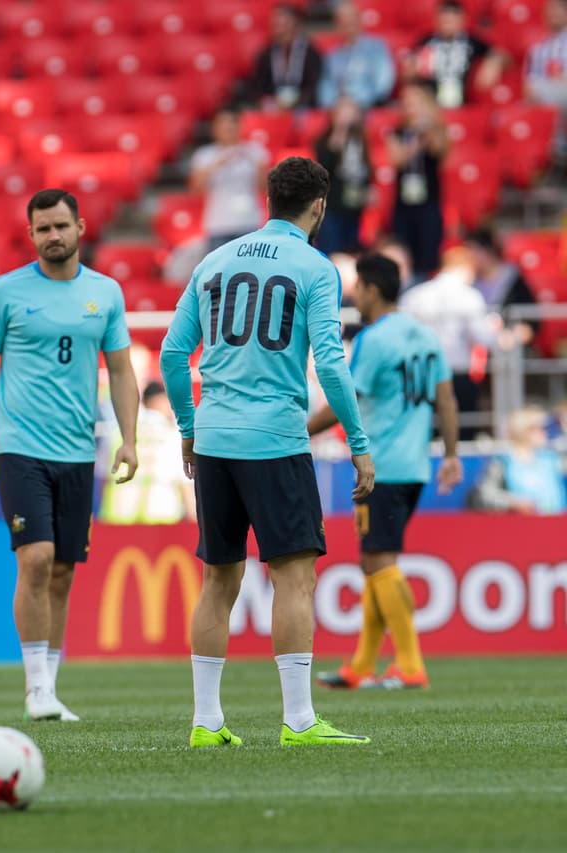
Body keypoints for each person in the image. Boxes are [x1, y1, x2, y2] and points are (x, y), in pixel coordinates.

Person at [159, 156, 376, 748]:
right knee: (294, 579)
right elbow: (330, 362)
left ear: (267, 200)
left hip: (216, 438)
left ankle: (207, 723)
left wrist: (187, 425)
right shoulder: (316, 267)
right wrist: (357, 443)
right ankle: (300, 721)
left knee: (217, 581)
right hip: (276, 438)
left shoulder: (214, 260)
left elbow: (173, 356)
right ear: (319, 207)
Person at [0, 188, 140, 723]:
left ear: (81, 227)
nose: (53, 236)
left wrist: (129, 439)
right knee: (36, 558)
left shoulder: (106, 294)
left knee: (63, 571)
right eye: (43, 229)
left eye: (60, 226)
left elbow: (122, 371)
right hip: (19, 446)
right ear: (31, 234)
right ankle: (35, 688)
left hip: (76, 449)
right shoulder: (6, 292)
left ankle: (50, 689)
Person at [308, 253, 462, 691]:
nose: (354, 293)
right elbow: (446, 400)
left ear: (372, 290)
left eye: (357, 285)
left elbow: (346, 398)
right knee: (373, 562)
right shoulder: (425, 336)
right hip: (414, 466)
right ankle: (360, 666)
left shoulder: (375, 340)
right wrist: (450, 454)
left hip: (381, 466)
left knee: (380, 562)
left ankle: (411, 664)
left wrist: (300, 434)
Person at [399, 247, 496, 439]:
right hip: (456, 375)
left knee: (424, 434)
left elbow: (401, 334)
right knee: (462, 434)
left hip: (421, 373)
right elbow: (483, 338)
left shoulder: (415, 295)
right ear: (466, 268)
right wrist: (493, 328)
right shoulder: (469, 296)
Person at [100, 380, 196, 525]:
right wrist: (194, 523)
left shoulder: (118, 432)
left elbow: (102, 476)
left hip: (119, 517)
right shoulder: (171, 432)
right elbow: (184, 480)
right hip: (161, 517)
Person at [388, 81, 448, 278]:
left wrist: (427, 129)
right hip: (404, 203)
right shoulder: (398, 132)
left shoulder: (435, 129)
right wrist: (414, 139)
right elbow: (398, 160)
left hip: (428, 200)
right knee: (405, 250)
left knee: (428, 254)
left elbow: (441, 151)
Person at [189, 108, 269, 253]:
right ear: (215, 128)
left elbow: (264, 187)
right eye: (223, 125)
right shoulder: (205, 154)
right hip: (218, 224)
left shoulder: (255, 151)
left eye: (232, 125)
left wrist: (254, 163)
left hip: (249, 222)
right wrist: (217, 164)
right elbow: (196, 188)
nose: (228, 129)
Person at [405, 1, 507, 109]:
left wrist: (493, 63)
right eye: (445, 19)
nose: (448, 23)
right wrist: (412, 70)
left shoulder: (472, 42)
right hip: (431, 105)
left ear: (462, 20)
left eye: (452, 19)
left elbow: (501, 54)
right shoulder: (425, 41)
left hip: (463, 103)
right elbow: (407, 73)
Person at [469, 407, 567, 515]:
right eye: (540, 428)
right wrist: (513, 502)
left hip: (557, 525)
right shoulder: (503, 461)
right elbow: (484, 495)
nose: (545, 432)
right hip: (520, 526)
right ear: (524, 430)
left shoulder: (551, 459)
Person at [465, 227, 540, 354]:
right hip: (477, 352)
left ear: (487, 250)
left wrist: (511, 337)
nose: (469, 257)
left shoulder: (514, 280)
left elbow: (531, 322)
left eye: (473, 250)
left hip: (507, 354)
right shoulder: (468, 281)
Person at [314, 97, 373, 256]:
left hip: (355, 207)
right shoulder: (324, 141)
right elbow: (324, 169)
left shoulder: (361, 140)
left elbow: (366, 169)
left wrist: (369, 189)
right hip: (333, 208)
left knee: (353, 252)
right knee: (332, 253)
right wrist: (340, 131)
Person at [317, 2, 396, 110]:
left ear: (359, 21)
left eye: (351, 20)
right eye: (342, 21)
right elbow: (326, 87)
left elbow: (383, 84)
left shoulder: (376, 48)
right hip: (339, 109)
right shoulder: (332, 56)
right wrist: (335, 104)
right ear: (337, 25)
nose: (348, 25)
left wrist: (357, 102)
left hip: (369, 107)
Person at [249, 4, 323, 111]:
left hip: (302, 109)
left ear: (296, 25)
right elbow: (257, 87)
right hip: (273, 110)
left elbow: (314, 87)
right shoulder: (266, 54)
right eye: (277, 25)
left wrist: (296, 103)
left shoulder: (311, 53)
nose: (281, 31)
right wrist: (265, 100)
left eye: (285, 25)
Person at [525, 0, 567, 120]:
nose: (555, 13)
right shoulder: (537, 46)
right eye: (551, 9)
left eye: (559, 9)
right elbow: (530, 83)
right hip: (546, 98)